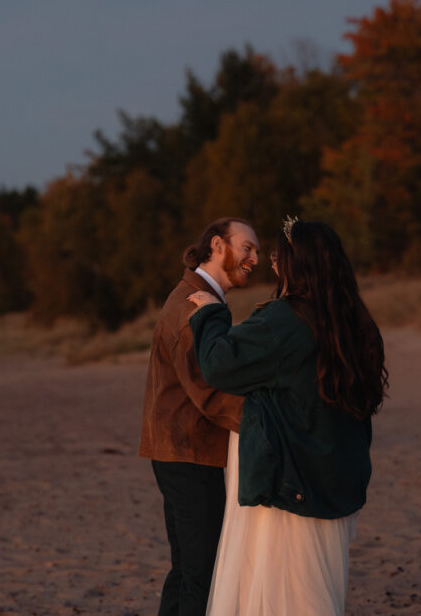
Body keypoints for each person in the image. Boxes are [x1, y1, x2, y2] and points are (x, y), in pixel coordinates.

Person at [187, 218, 388, 616]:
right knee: (315, 585)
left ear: (300, 264)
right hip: (336, 473)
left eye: (280, 256)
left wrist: (210, 315)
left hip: (292, 476)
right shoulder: (354, 320)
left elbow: (218, 365)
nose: (273, 264)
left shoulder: (287, 319)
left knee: (290, 591)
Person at [140, 217, 261, 616]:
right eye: (247, 247)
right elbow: (208, 390)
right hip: (188, 453)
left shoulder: (197, 296)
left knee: (187, 570)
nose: (255, 258)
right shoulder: (193, 305)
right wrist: (268, 422)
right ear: (217, 245)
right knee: (202, 574)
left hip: (179, 451)